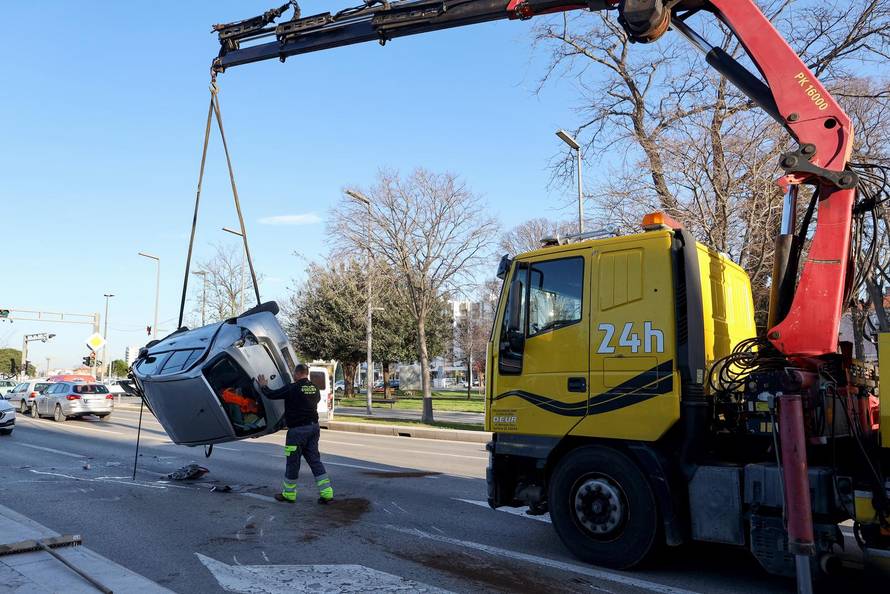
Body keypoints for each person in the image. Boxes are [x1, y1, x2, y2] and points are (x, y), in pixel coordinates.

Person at [257, 364, 333, 504]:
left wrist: (263, 386)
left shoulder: (293, 388)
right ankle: (327, 493)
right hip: (314, 428)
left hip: (297, 431)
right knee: (315, 460)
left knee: (293, 462)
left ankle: (289, 494)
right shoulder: (314, 388)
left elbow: (271, 395)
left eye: (294, 374)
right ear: (307, 373)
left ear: (297, 374)